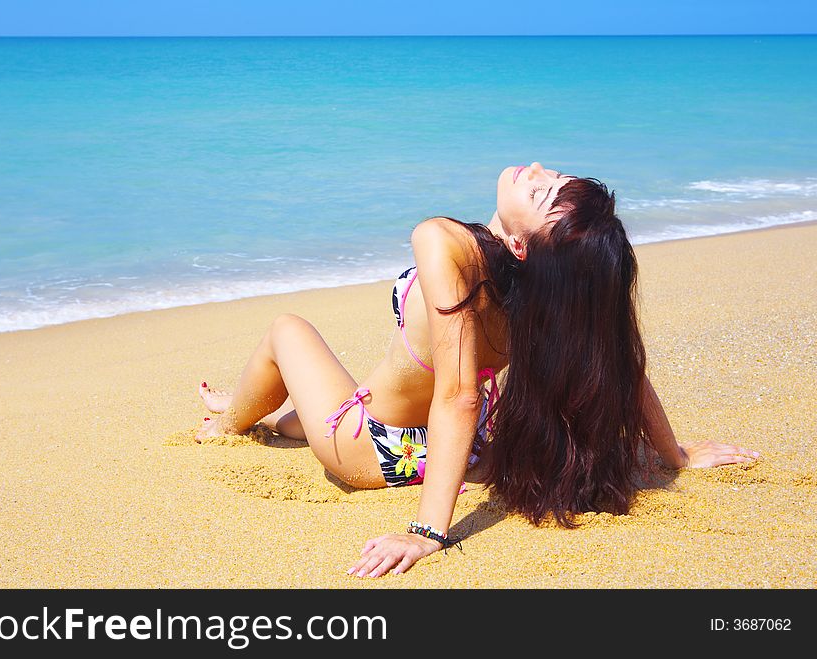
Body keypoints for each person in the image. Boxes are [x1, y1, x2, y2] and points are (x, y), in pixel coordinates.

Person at [195, 162, 760, 578]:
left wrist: (426, 534)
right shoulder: (552, 289)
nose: (535, 168)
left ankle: (224, 426)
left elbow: (459, 394)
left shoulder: (444, 243)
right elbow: (621, 364)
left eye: (540, 189)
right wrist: (675, 456)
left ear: (518, 244)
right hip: (470, 450)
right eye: (551, 176)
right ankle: (254, 411)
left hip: (376, 446)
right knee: (294, 421)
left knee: (286, 329)